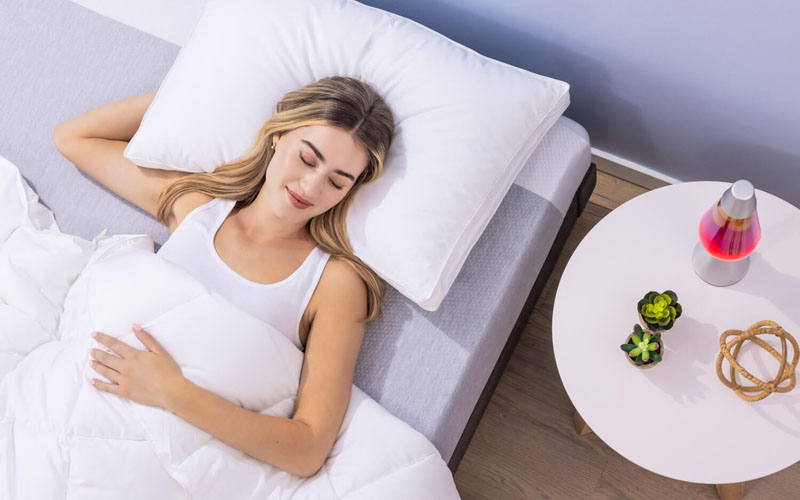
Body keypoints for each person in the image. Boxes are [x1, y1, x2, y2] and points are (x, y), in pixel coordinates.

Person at [52, 75, 395, 478]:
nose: (311, 186)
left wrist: (173, 392)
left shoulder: (334, 282)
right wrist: (213, 90)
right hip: (76, 400)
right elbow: (73, 137)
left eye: (338, 181)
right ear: (278, 136)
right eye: (307, 158)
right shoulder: (197, 206)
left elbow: (308, 448)